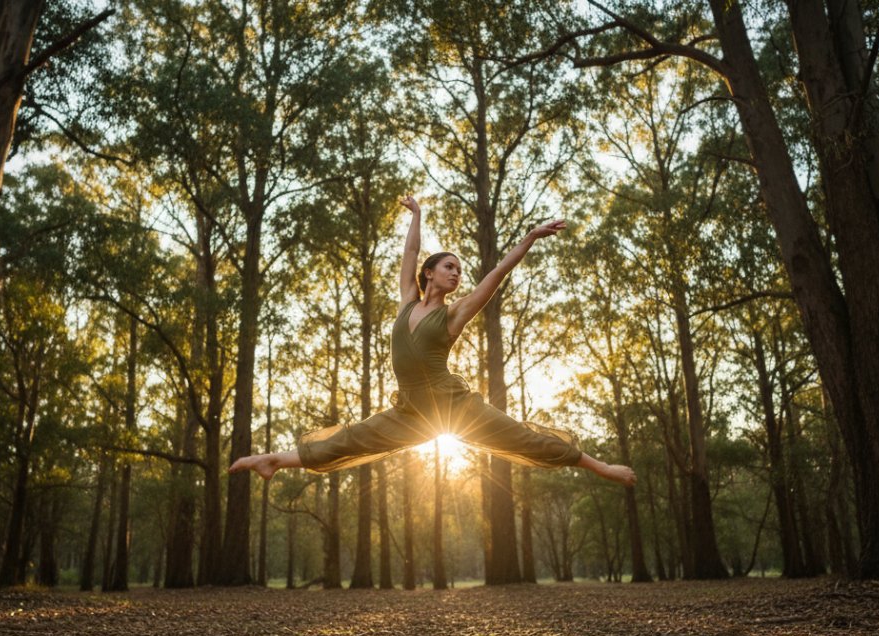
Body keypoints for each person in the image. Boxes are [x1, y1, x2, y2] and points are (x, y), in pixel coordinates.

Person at [229, 196, 635, 485]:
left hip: (453, 407)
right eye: (449, 267)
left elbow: (495, 276)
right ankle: (272, 461)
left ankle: (598, 466)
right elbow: (410, 250)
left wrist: (529, 237)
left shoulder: (453, 314)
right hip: (410, 412)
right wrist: (417, 214)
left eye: (459, 270)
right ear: (429, 274)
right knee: (348, 440)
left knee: (522, 438)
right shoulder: (408, 302)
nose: (456, 274)